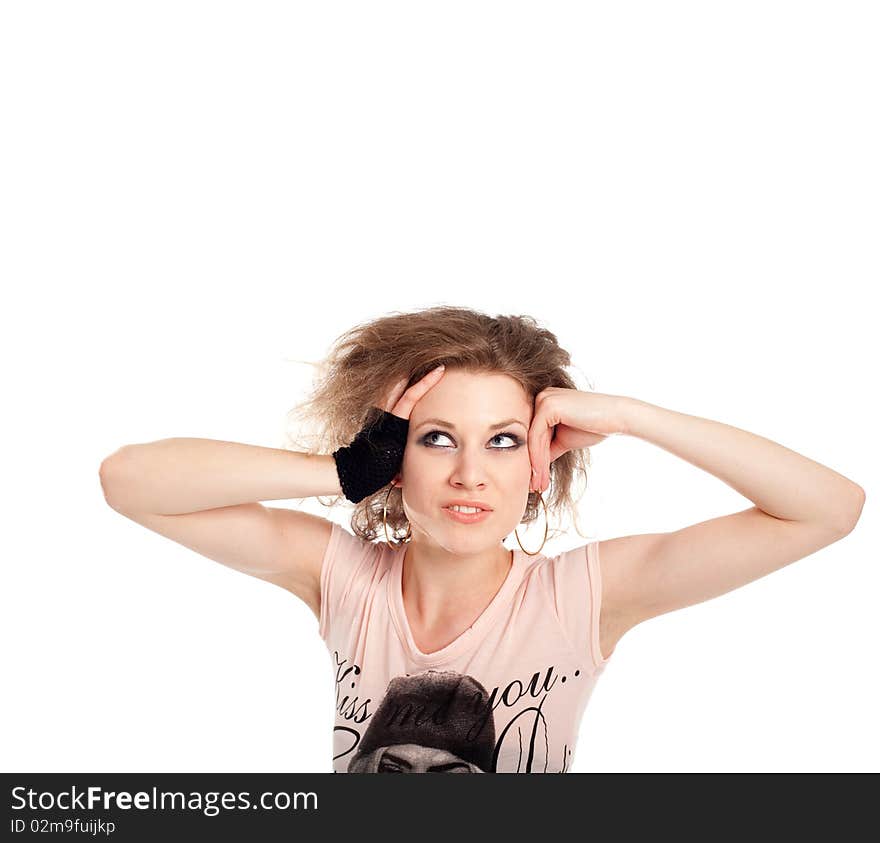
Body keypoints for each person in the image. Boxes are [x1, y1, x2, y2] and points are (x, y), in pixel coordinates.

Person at [99, 305, 865, 773]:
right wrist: (342, 468)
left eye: (502, 440)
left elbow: (830, 508)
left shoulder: (579, 598)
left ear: (538, 459)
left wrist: (634, 416)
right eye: (437, 438)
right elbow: (129, 480)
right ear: (395, 458)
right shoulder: (346, 578)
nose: (471, 473)